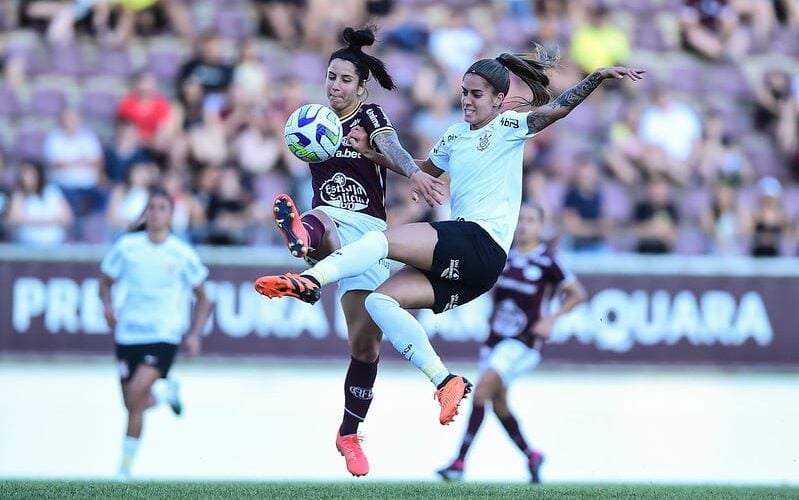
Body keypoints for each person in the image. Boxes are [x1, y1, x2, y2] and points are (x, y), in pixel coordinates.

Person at [255, 45, 643, 455]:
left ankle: (309, 278)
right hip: (475, 271)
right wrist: (371, 154)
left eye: (477, 94)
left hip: (480, 240)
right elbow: (422, 171)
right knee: (381, 303)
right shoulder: (454, 136)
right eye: (464, 92)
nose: (467, 100)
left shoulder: (511, 125)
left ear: (497, 99)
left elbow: (560, 108)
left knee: (382, 242)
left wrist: (597, 76)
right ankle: (446, 382)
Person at [265, 26, 445, 478]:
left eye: (345, 79)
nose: (335, 85)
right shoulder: (313, 122)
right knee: (320, 218)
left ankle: (348, 433)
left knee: (365, 350)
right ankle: (304, 245)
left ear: (361, 86)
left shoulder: (370, 116)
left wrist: (413, 174)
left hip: (371, 238)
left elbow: (392, 147)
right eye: (330, 77)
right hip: (330, 219)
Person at [436, 201, 587, 483]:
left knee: (480, 393)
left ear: (541, 227)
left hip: (523, 342)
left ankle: (459, 462)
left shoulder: (548, 261)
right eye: (521, 219)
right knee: (499, 403)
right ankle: (532, 455)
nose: (524, 225)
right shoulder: (503, 256)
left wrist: (551, 319)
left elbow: (577, 293)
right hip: (495, 340)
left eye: (531, 220)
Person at [99, 186, 212, 481]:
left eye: (162, 209)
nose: (156, 214)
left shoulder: (181, 253)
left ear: (171, 216)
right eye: (151, 208)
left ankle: (124, 470)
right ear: (145, 213)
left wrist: (195, 334)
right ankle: (164, 393)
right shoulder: (127, 247)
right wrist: (107, 307)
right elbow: (105, 280)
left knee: (137, 394)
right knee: (131, 403)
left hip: (164, 333)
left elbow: (204, 298)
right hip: (128, 333)